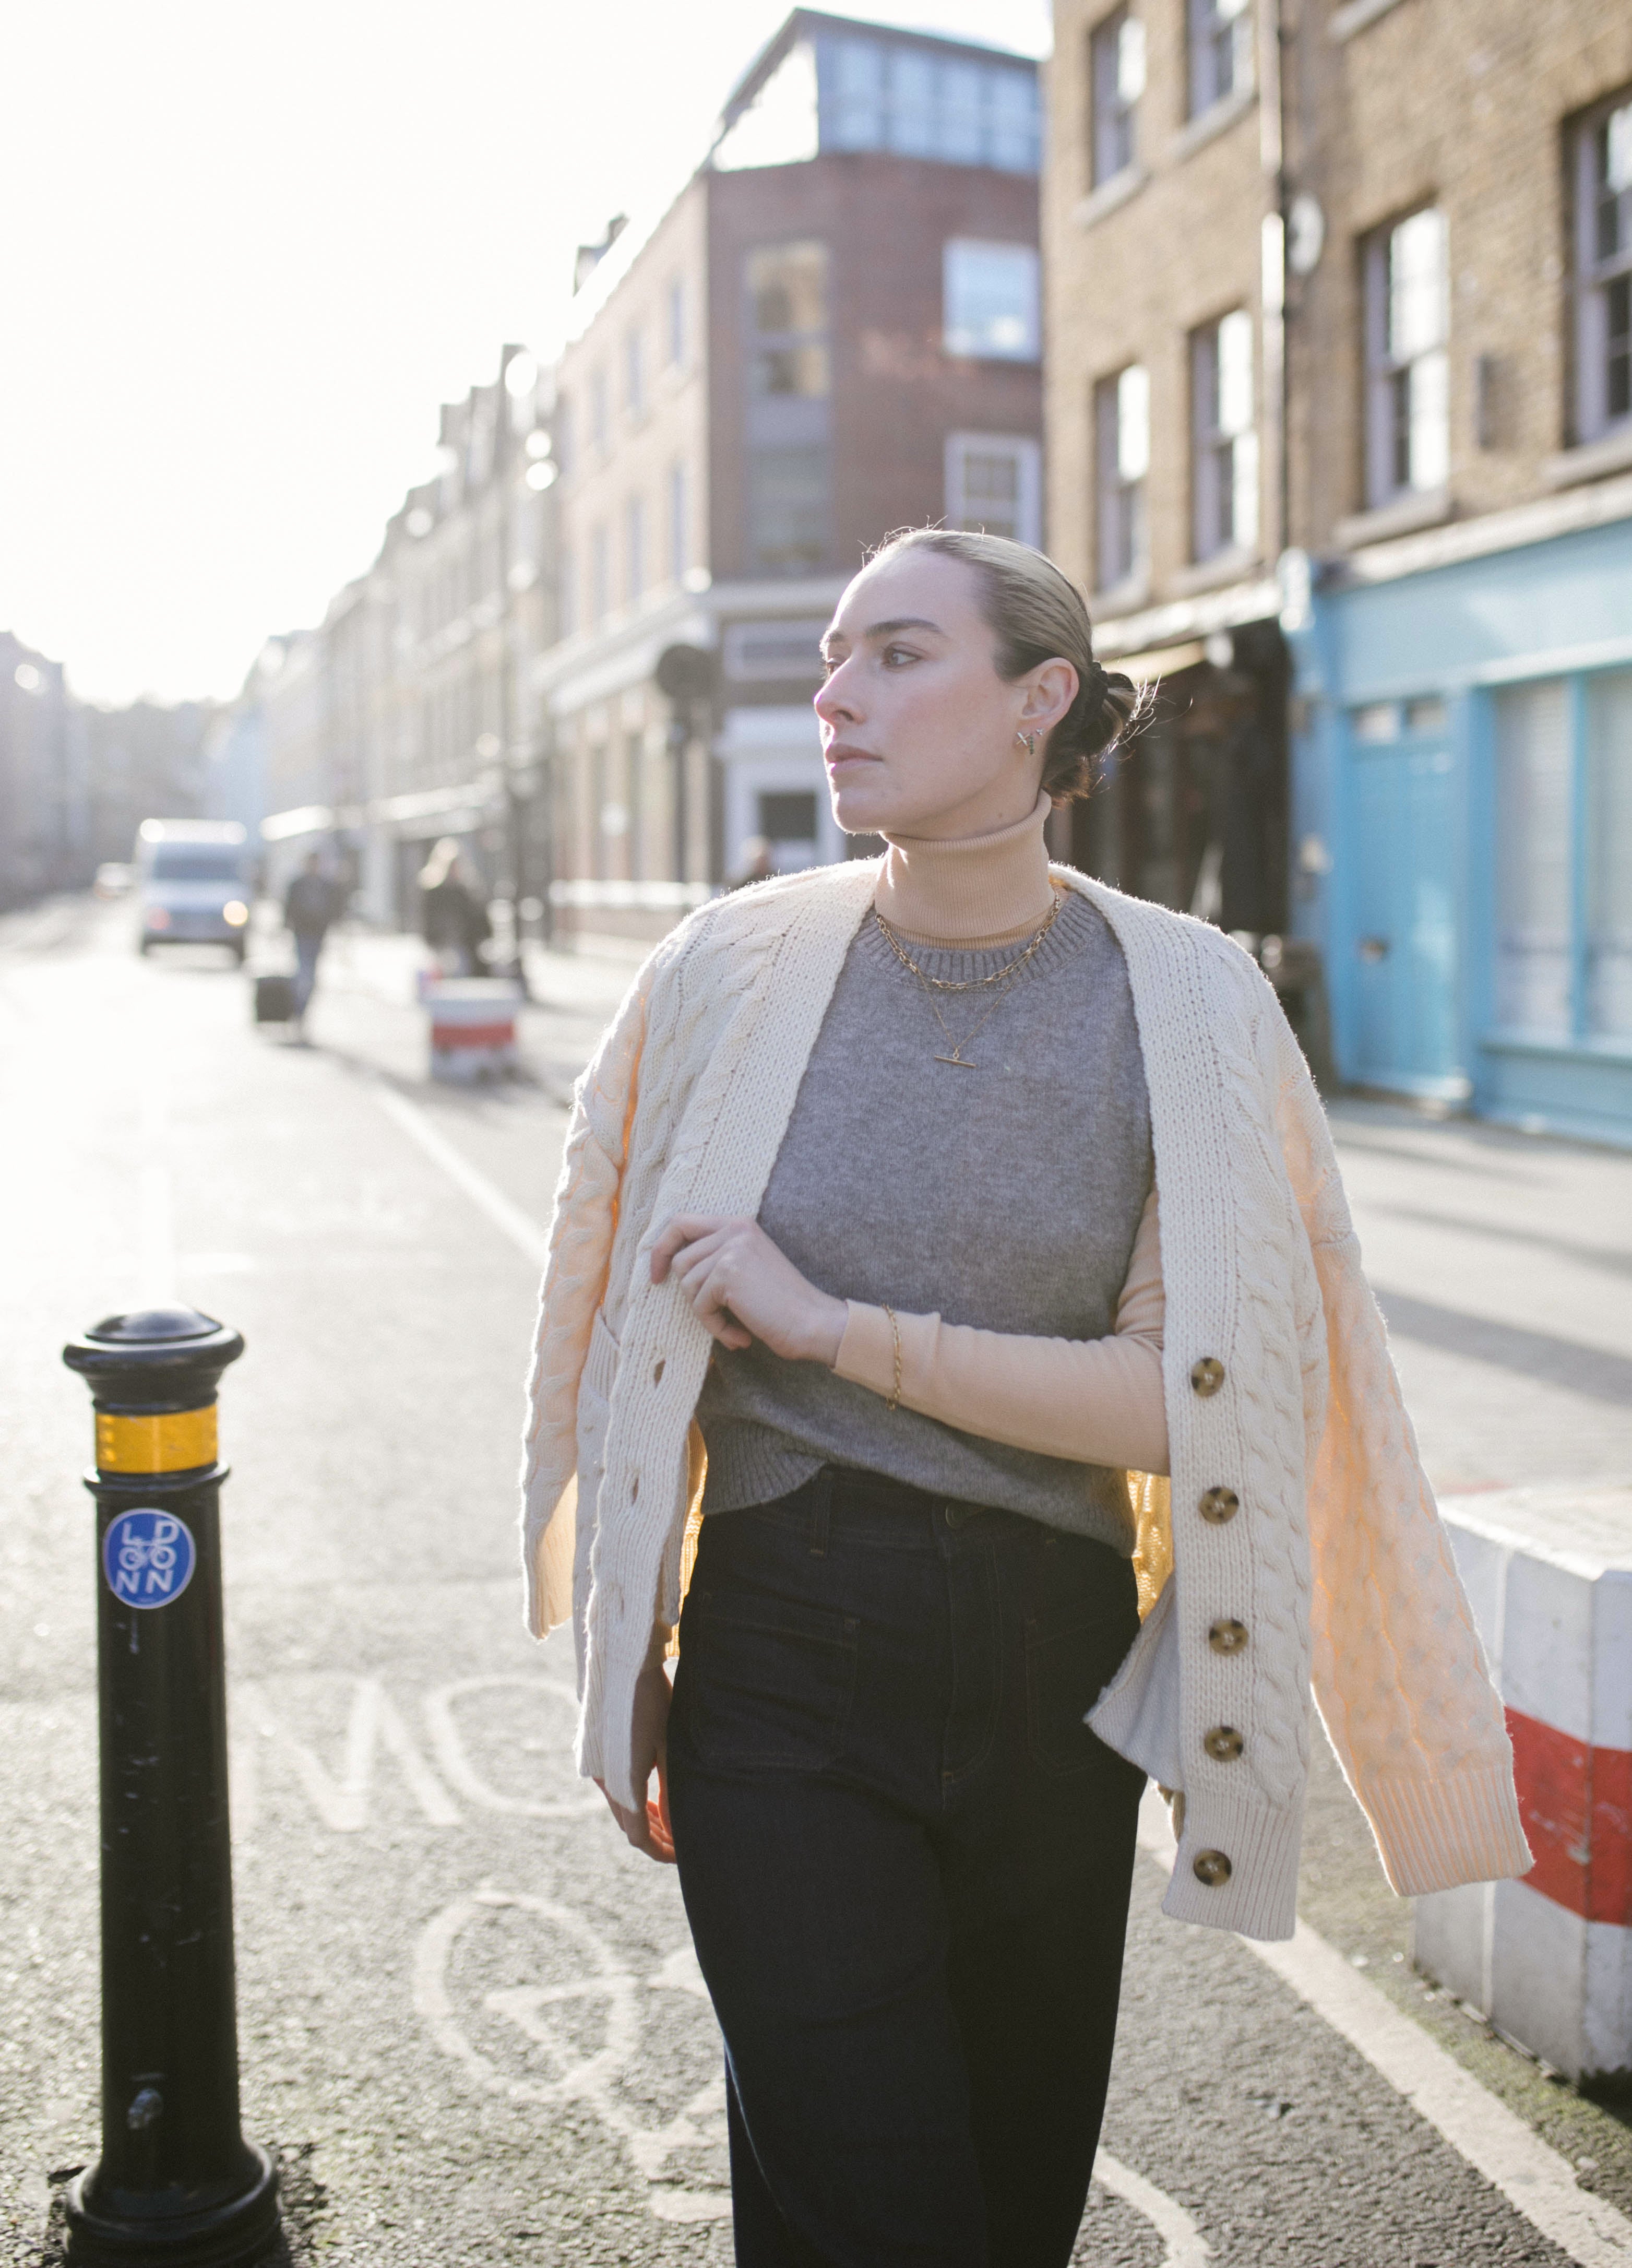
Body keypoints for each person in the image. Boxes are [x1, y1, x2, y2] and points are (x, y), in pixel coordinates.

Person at [519, 529, 1531, 2267]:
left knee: (998, 2205)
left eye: (895, 654)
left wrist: (833, 1326)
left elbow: (1193, 1401)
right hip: (782, 1670)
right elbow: (588, 1292)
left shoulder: (1186, 997)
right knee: (879, 2205)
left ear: (1036, 700)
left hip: (1053, 1681)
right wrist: (618, 1649)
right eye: (830, 656)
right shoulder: (719, 968)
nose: (832, 693)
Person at [418, 837, 491, 975]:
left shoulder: (467, 891)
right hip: (443, 946)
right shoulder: (435, 893)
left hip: (466, 947)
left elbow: (479, 919)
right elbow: (429, 921)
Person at [282, 851, 336, 1029]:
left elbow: (333, 909)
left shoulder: (326, 885)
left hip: (318, 936)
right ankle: (297, 1011)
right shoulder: (297, 885)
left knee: (311, 976)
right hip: (301, 935)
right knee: (304, 975)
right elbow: (288, 908)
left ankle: (302, 1012)